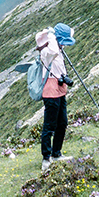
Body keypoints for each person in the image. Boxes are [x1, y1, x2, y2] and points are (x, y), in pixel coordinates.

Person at [35, 23, 75, 171]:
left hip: (60, 89)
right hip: (50, 91)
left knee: (62, 122)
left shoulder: (58, 48)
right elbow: (52, 50)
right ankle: (46, 158)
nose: (64, 45)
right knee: (49, 125)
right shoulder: (47, 51)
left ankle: (56, 153)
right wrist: (52, 36)